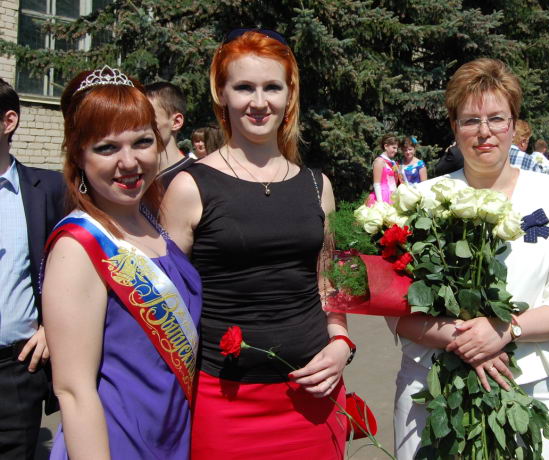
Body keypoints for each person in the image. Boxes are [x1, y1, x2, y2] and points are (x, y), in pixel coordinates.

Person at [161, 29, 352, 459]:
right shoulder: (189, 187)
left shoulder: (317, 185)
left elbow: (331, 283)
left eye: (272, 87)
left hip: (313, 395)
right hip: (224, 400)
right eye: (244, 87)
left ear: (290, 95)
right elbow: (168, 302)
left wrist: (342, 343)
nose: (259, 102)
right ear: (222, 94)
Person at [390, 58, 549, 460]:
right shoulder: (418, 199)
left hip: (530, 389)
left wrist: (505, 330)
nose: (484, 132)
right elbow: (395, 307)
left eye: (497, 118)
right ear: (454, 128)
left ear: (514, 125)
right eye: (470, 120)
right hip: (432, 390)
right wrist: (466, 339)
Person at [42, 66, 201, 459]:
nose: (129, 162)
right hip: (116, 442)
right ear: (78, 155)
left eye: (142, 142)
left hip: (174, 433)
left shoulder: (151, 221)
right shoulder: (78, 245)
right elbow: (73, 391)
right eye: (107, 148)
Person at [0, 78, 64, 459]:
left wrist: (52, 328)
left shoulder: (49, 190)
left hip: (15, 375)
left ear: (8, 121)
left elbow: (74, 271)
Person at [144, 81, 194, 189]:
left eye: (149, 119)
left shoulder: (197, 177)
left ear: (176, 122)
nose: (140, 127)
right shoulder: (137, 179)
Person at [367, 133, 400, 204]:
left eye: (397, 148)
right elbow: (376, 184)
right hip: (383, 196)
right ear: (386, 146)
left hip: (393, 195)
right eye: (394, 148)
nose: (396, 151)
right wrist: (380, 203)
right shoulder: (379, 161)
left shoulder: (393, 162)